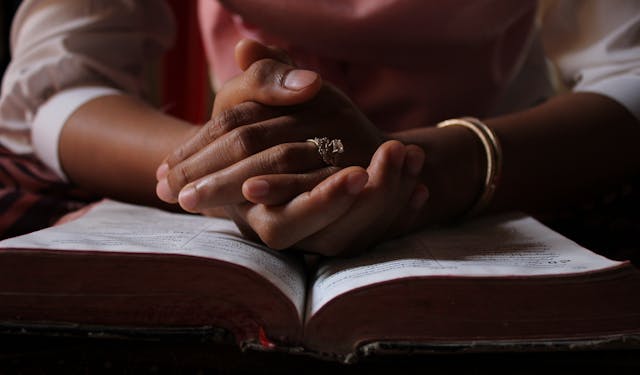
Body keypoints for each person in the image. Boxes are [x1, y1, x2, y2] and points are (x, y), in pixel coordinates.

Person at [1, 0, 639, 256]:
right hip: (224, 181)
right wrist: (233, 166)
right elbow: (58, 85)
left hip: (506, 164)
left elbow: (629, 69)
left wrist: (434, 166)